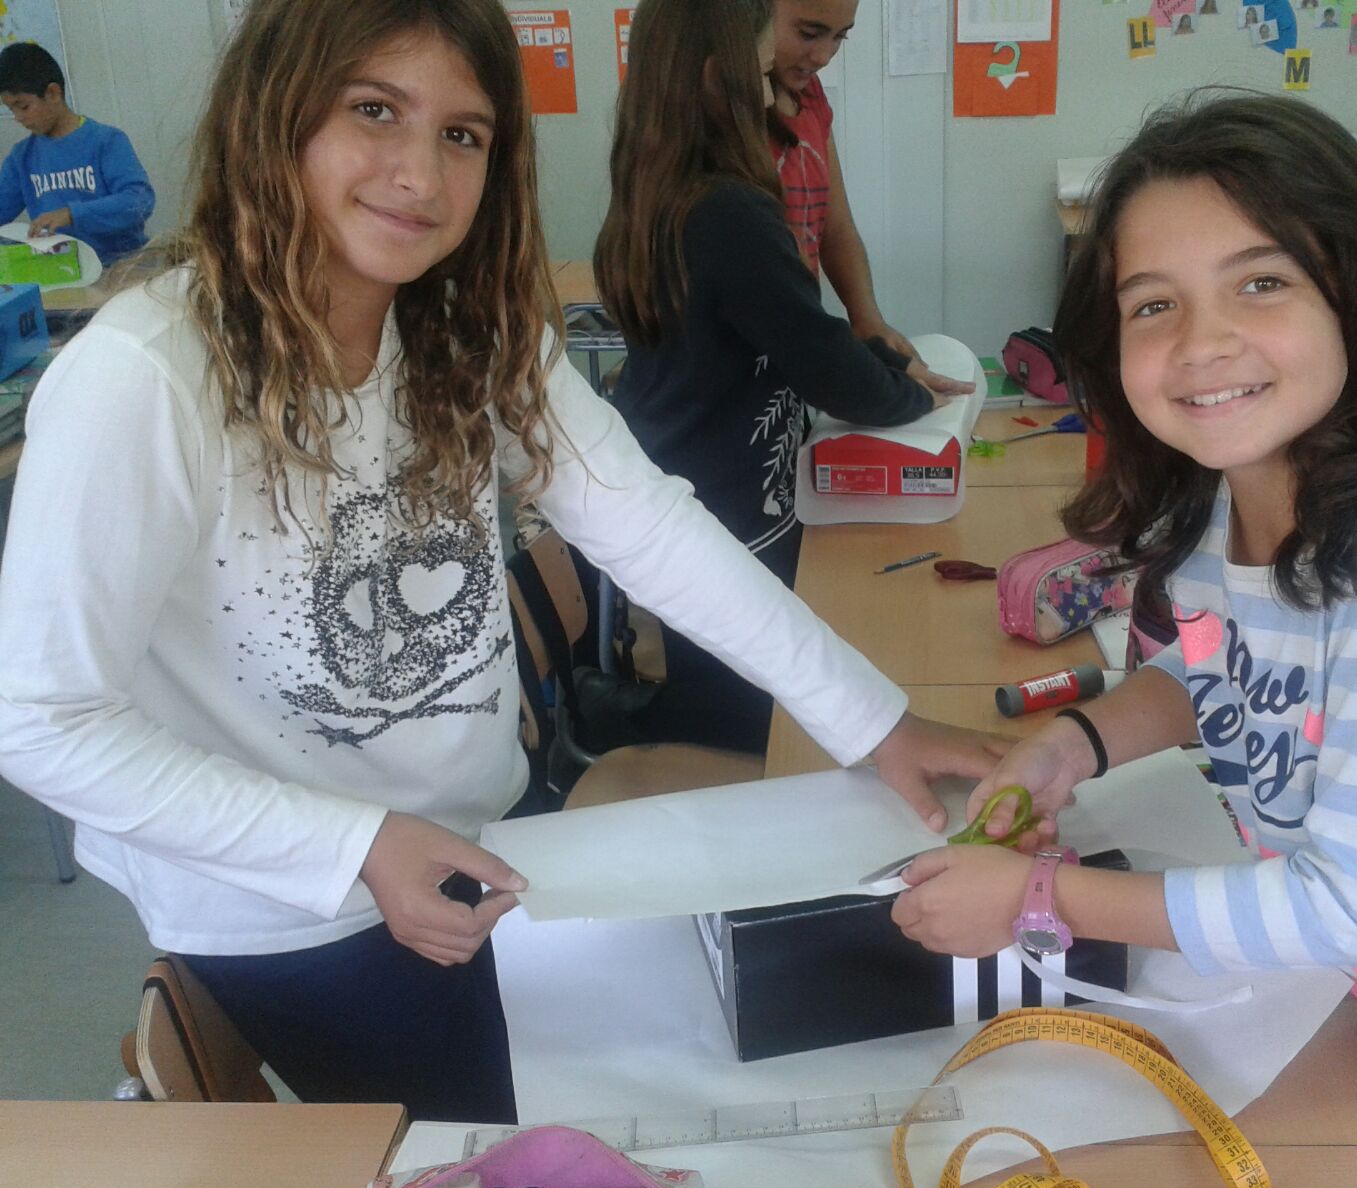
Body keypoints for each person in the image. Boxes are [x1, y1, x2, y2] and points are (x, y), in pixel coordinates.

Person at [0, 0, 1002, 1125]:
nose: (420, 175)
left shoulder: (460, 321)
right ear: (275, 115)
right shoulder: (146, 374)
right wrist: (355, 845)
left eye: (462, 135)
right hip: (301, 909)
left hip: (491, 830)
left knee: (818, 1039)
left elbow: (644, 523)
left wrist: (873, 719)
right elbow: (41, 721)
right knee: (645, 1128)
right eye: (374, 111)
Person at [890, 93, 1357, 1188]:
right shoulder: (1231, 498)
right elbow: (1218, 667)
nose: (1201, 342)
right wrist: (1068, 746)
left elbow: (1349, 905)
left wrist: (1037, 900)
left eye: (1260, 283)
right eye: (1153, 304)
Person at [594, 0, 973, 754]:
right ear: (719, 77)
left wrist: (876, 354)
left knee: (735, 658)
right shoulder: (727, 210)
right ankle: (633, 722)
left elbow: (795, 333)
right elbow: (822, 361)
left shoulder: (669, 182)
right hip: (716, 491)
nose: (783, 92)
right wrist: (910, 395)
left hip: (695, 463)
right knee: (748, 705)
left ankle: (649, 711)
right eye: (766, 71)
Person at [767, 0, 919, 362]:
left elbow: (836, 228)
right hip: (746, 347)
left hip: (795, 343)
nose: (824, 56)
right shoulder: (722, 115)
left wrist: (868, 320)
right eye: (809, 33)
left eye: (840, 37)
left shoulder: (810, 95)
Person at [0, 42, 153, 263]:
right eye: (11, 109)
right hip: (62, 272)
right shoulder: (21, 157)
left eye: (23, 106)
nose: (18, 117)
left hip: (120, 267)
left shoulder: (106, 141)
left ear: (53, 93)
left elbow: (140, 201)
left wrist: (72, 214)